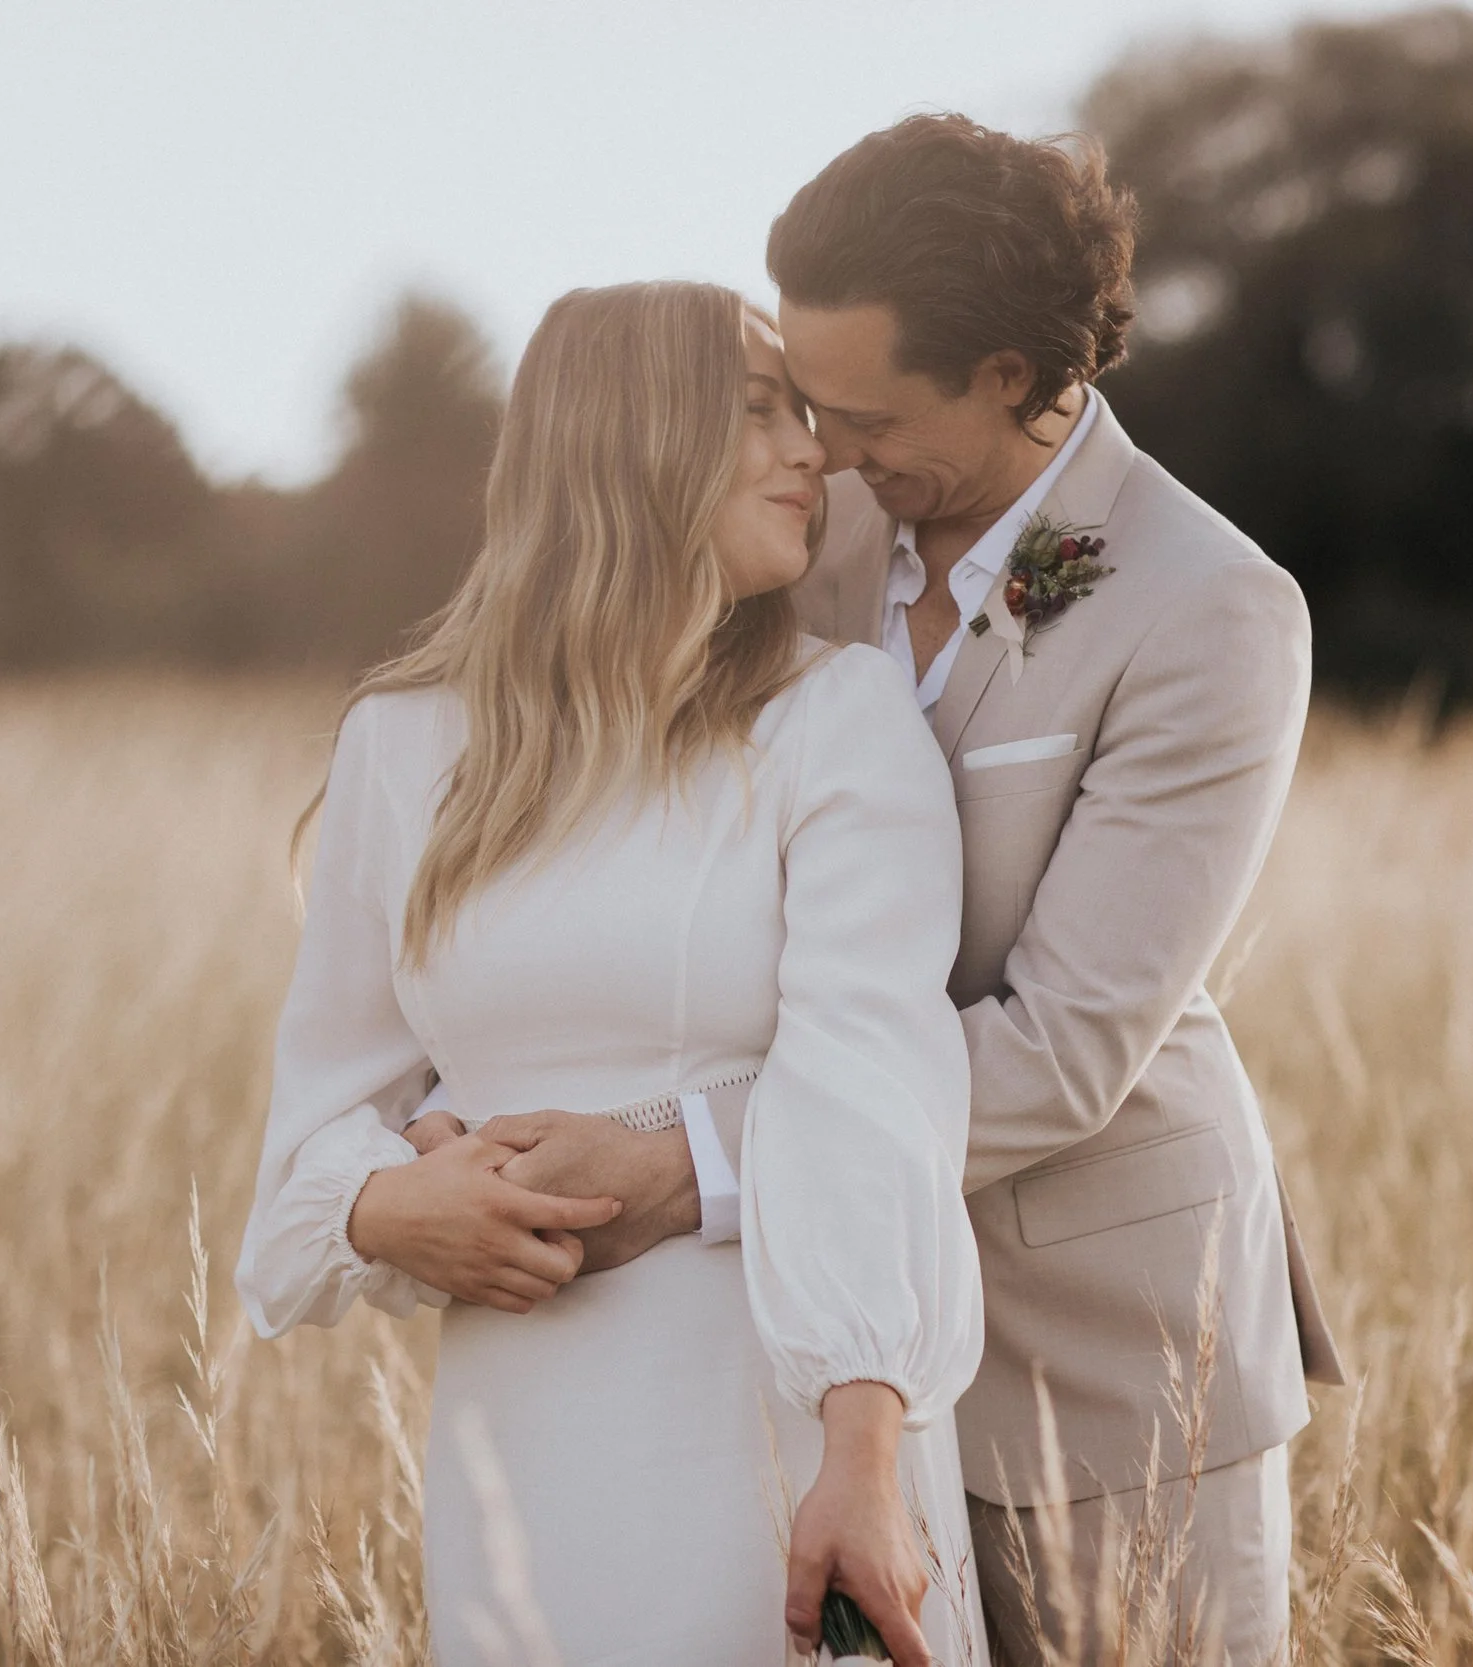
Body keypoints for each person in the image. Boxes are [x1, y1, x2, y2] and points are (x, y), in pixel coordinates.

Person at [400, 116, 1346, 1665]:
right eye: (802, 404)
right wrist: (477, 1083)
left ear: (1011, 377)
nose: (825, 449)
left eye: (863, 413)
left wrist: (679, 1162)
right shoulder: (799, 528)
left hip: (1100, 1341)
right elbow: (610, 804)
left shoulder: (1211, 610)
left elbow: (1062, 1049)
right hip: (795, 1352)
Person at [234, 280, 991, 1665]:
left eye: (806, 419)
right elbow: (296, 1175)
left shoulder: (834, 720)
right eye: (759, 414)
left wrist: (866, 1457)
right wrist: (388, 1207)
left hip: (786, 1418)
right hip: (526, 1447)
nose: (809, 453)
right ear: (630, 436)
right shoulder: (404, 748)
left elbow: (872, 1093)